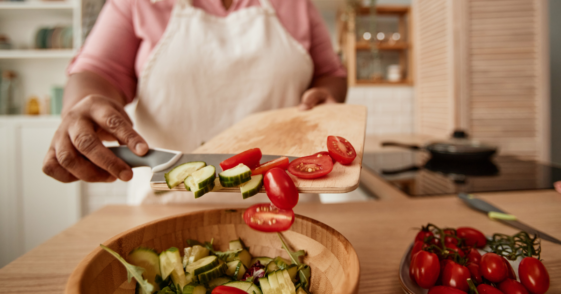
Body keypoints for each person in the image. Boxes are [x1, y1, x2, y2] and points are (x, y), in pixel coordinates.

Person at [42, 0, 347, 203]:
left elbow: (331, 75)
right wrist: (83, 107)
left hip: (287, 204)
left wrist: (326, 95)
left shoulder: (297, 4)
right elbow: (98, 72)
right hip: (166, 206)